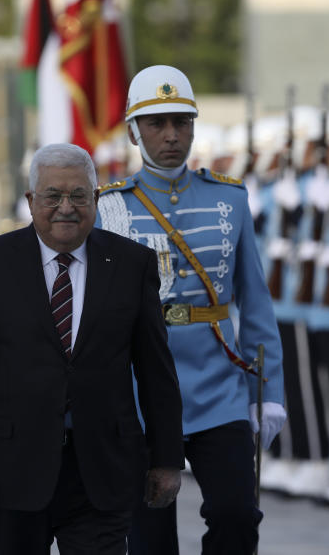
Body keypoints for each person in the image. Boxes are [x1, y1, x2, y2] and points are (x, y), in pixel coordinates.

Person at [0, 142, 184, 555]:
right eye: (52, 196)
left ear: (96, 199)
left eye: (78, 195)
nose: (65, 207)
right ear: (31, 201)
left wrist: (167, 458)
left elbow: (157, 370)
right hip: (10, 470)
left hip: (103, 470)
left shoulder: (132, 264)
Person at [95, 64, 286, 555]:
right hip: (139, 391)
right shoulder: (109, 207)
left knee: (237, 515)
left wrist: (268, 390)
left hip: (217, 386)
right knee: (150, 536)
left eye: (181, 122)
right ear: (134, 131)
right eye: (157, 124)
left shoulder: (229, 198)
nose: (172, 135)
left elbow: (255, 301)